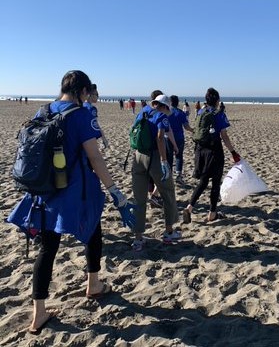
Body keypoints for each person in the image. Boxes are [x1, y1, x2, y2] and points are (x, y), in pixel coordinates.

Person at [7, 70, 130, 334]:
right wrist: (114, 190)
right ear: (83, 92)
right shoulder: (81, 114)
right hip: (75, 191)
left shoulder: (44, 110)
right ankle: (93, 284)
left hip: (43, 190)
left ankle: (38, 314)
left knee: (47, 249)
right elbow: (95, 158)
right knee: (93, 232)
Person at [131, 93, 180, 252]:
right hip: (154, 158)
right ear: (165, 106)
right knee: (168, 193)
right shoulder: (161, 116)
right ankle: (168, 232)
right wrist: (164, 161)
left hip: (138, 156)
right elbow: (160, 138)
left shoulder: (142, 111)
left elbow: (134, 132)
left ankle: (138, 239)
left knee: (139, 199)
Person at [183, 88, 240, 223]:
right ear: (218, 100)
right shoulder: (219, 114)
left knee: (203, 180)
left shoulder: (200, 112)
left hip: (200, 151)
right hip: (214, 151)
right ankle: (212, 213)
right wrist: (233, 152)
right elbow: (224, 136)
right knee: (215, 182)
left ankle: (189, 207)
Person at [166, 95, 193, 185]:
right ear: (177, 102)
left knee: (169, 157)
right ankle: (178, 176)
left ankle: (169, 177)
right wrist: (193, 130)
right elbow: (186, 126)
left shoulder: (166, 112)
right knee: (179, 157)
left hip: (168, 138)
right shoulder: (180, 113)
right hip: (179, 138)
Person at [84, 84, 109, 148]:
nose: (98, 97)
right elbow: (96, 125)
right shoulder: (92, 108)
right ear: (90, 95)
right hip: (88, 138)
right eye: (97, 95)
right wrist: (104, 139)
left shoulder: (82, 105)